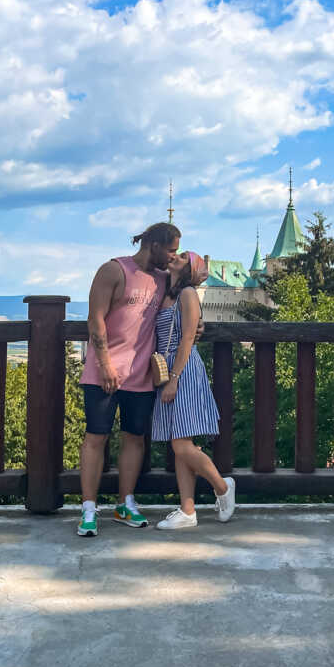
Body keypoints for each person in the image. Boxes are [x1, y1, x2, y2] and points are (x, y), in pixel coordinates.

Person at [77, 222, 180, 537]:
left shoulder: (163, 280)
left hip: (141, 373)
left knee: (134, 437)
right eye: (171, 250)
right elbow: (95, 319)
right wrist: (105, 363)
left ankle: (125, 503)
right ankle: (89, 509)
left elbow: (181, 304)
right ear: (154, 245)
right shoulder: (113, 270)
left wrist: (197, 325)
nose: (173, 257)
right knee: (97, 436)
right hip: (103, 371)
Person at [152, 250, 236, 530]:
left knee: (181, 444)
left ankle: (223, 487)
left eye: (183, 257)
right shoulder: (167, 292)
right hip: (169, 369)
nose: (175, 256)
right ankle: (187, 510)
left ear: (189, 269)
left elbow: (188, 337)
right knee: (180, 443)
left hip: (183, 369)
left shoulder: (187, 294)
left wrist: (174, 378)